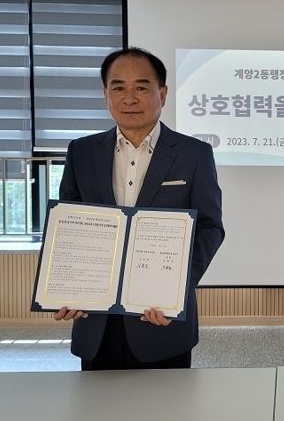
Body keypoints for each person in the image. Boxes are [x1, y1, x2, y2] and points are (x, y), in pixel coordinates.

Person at [53, 47, 225, 370]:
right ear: (105, 94)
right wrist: (67, 288)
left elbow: (210, 228)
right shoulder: (81, 152)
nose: (129, 98)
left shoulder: (194, 154)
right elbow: (68, 228)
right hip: (95, 320)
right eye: (118, 87)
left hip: (161, 320)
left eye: (142, 87)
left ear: (163, 94)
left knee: (166, 401)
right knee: (97, 401)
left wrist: (176, 288)